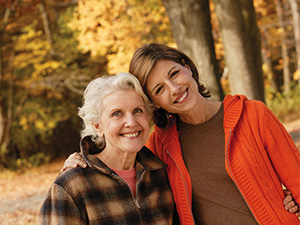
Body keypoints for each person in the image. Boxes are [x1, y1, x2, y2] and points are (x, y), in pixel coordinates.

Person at [61, 44, 300, 224]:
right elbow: (120, 165)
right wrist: (83, 159)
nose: (174, 89)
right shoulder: (159, 144)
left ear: (187, 67)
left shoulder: (252, 115)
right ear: (154, 102)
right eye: (159, 89)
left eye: (174, 74)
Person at [39, 73, 177, 224]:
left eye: (138, 111)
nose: (131, 122)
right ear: (98, 126)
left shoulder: (161, 175)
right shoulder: (72, 186)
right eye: (117, 114)